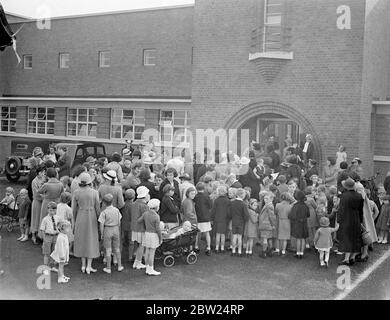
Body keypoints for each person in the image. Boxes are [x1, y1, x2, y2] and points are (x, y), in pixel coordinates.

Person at [72, 172, 101, 274]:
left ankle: (83, 265)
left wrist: (74, 221)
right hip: (91, 216)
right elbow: (97, 208)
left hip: (80, 216)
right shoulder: (94, 192)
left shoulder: (76, 192)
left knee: (81, 240)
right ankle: (89, 266)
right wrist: (99, 219)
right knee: (91, 240)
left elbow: (73, 209)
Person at [337, 178, 364, 265]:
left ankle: (346, 259)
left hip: (346, 218)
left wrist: (339, 220)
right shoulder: (359, 196)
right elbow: (360, 210)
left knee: (347, 238)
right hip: (356, 218)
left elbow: (341, 210)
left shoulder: (344, 196)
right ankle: (352, 257)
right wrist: (360, 221)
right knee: (354, 238)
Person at [99, 193, 124, 274]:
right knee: (117, 248)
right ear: (112, 201)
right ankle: (119, 266)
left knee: (108, 249)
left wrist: (102, 233)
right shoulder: (116, 210)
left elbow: (101, 224)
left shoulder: (104, 212)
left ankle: (108, 267)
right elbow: (119, 220)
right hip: (116, 229)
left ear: (104, 203)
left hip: (107, 229)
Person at [138, 198, 163, 276]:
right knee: (152, 253)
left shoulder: (146, 213)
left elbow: (139, 220)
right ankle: (151, 269)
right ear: (156, 207)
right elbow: (158, 229)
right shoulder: (156, 216)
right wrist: (160, 238)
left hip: (147, 234)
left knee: (147, 252)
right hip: (154, 235)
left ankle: (147, 268)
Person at [130, 186, 150, 270]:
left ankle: (136, 262)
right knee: (142, 246)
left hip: (134, 227)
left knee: (139, 245)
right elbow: (146, 218)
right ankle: (138, 262)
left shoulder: (134, 203)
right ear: (145, 195)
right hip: (141, 228)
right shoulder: (144, 205)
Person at [289, 190, 310, 259]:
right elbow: (308, 215)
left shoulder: (296, 206)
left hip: (297, 224)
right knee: (303, 238)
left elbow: (292, 215)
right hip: (304, 223)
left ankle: (298, 253)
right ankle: (302, 252)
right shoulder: (305, 205)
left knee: (298, 239)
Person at [40, 202, 60, 271]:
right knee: (46, 253)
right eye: (50, 210)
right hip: (48, 237)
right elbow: (42, 229)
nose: (52, 212)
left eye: (54, 210)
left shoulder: (57, 218)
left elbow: (59, 226)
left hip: (55, 236)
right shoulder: (45, 219)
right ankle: (45, 268)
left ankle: (52, 267)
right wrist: (44, 239)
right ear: (47, 210)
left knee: (53, 252)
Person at [229, 188, 249, 257]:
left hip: (234, 221)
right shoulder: (243, 204)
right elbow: (246, 214)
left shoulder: (232, 202)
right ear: (243, 195)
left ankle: (233, 250)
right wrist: (246, 219)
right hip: (241, 222)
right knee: (239, 237)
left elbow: (230, 212)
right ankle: (239, 251)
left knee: (234, 236)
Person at [194, 182, 213, 255]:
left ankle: (196, 247)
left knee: (197, 234)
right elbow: (210, 206)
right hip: (206, 217)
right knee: (207, 233)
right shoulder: (206, 196)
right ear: (204, 188)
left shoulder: (195, 197)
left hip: (198, 217)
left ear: (196, 188)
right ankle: (208, 248)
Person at [211, 185, 231, 253]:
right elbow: (229, 212)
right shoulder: (228, 201)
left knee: (217, 234)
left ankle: (217, 247)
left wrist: (212, 218)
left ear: (218, 192)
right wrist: (228, 217)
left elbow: (213, 210)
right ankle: (222, 248)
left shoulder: (216, 200)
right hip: (225, 220)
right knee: (223, 235)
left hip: (217, 219)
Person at [30, 164, 46, 244]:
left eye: (44, 172)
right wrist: (44, 197)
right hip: (37, 202)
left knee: (41, 219)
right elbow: (36, 193)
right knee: (35, 218)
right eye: (42, 172)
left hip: (43, 202)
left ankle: (40, 236)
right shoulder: (34, 181)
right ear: (38, 173)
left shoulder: (44, 179)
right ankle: (33, 235)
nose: (43, 174)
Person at [258, 192, 276, 258]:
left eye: (267, 198)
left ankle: (264, 252)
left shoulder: (269, 206)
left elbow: (272, 216)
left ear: (271, 199)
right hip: (267, 225)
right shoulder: (268, 205)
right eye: (265, 198)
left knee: (265, 239)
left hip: (266, 225)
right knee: (269, 238)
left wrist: (273, 224)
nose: (265, 200)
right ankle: (270, 251)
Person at [120, 189, 136, 262]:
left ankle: (119, 255)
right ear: (134, 196)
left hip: (123, 225)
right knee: (131, 242)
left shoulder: (122, 204)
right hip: (131, 226)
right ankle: (130, 257)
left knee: (121, 241)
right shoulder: (134, 205)